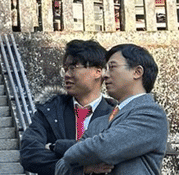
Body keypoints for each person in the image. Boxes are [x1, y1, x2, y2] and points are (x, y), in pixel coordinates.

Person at [55, 44, 168, 175]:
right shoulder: (100, 121)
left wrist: (72, 151)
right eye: (105, 68)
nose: (104, 75)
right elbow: (60, 166)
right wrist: (85, 169)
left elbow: (103, 148)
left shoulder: (151, 115)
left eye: (112, 67)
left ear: (137, 72)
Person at [19, 39, 115, 175]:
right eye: (65, 69)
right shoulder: (49, 110)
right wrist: (81, 169)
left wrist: (55, 147)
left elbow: (113, 153)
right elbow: (29, 155)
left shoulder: (115, 114)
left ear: (98, 71)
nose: (67, 75)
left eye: (73, 67)